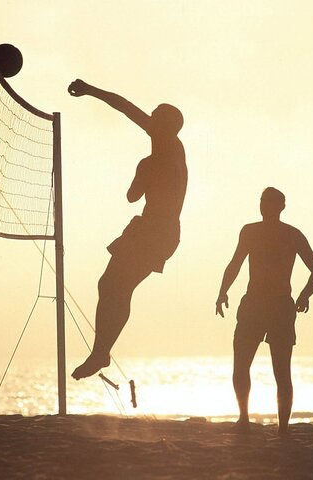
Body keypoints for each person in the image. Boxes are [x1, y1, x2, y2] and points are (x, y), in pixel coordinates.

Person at [67, 79, 187, 380]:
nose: (149, 121)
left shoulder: (167, 153)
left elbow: (132, 195)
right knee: (112, 287)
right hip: (152, 230)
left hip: (157, 231)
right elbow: (126, 108)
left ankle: (100, 352)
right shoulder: (163, 147)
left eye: (155, 117)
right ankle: (101, 352)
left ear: (167, 126)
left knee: (114, 286)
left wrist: (142, 174)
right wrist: (91, 90)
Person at [216, 187, 313, 435]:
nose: (264, 206)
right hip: (253, 304)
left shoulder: (293, 235)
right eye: (262, 201)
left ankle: (283, 428)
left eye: (270, 202)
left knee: (281, 371)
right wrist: (222, 292)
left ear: (281, 206)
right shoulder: (249, 231)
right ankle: (243, 418)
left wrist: (305, 294)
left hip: (280, 306)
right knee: (241, 365)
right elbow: (235, 264)